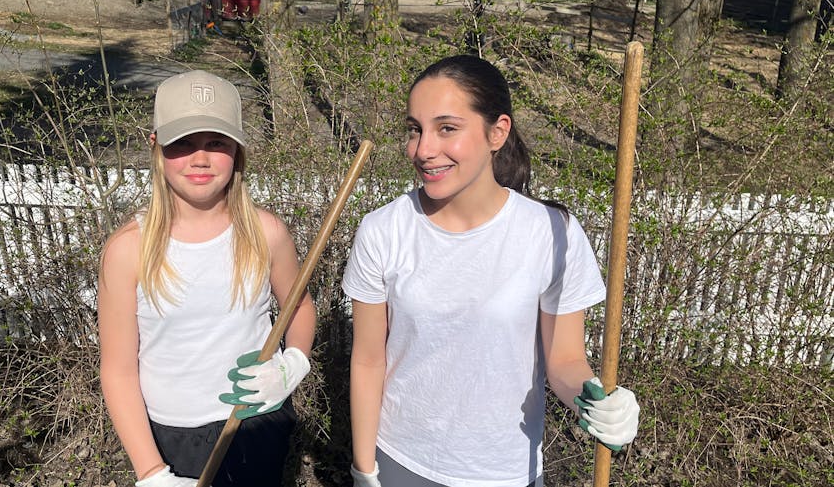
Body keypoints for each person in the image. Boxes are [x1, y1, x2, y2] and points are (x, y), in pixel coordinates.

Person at [344, 55, 639, 487]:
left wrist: (594, 403)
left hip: (506, 472)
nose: (423, 149)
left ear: (497, 132)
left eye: (447, 128)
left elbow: (565, 360)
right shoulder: (383, 230)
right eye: (415, 129)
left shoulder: (552, 233)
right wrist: (364, 468)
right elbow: (369, 359)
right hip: (402, 462)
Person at [99, 70, 316, 487]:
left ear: (238, 149)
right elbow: (119, 370)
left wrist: (294, 363)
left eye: (216, 143)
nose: (200, 159)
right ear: (156, 147)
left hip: (256, 421)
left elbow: (300, 307)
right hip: (173, 435)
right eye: (182, 143)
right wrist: (150, 472)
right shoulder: (128, 250)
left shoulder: (266, 232)